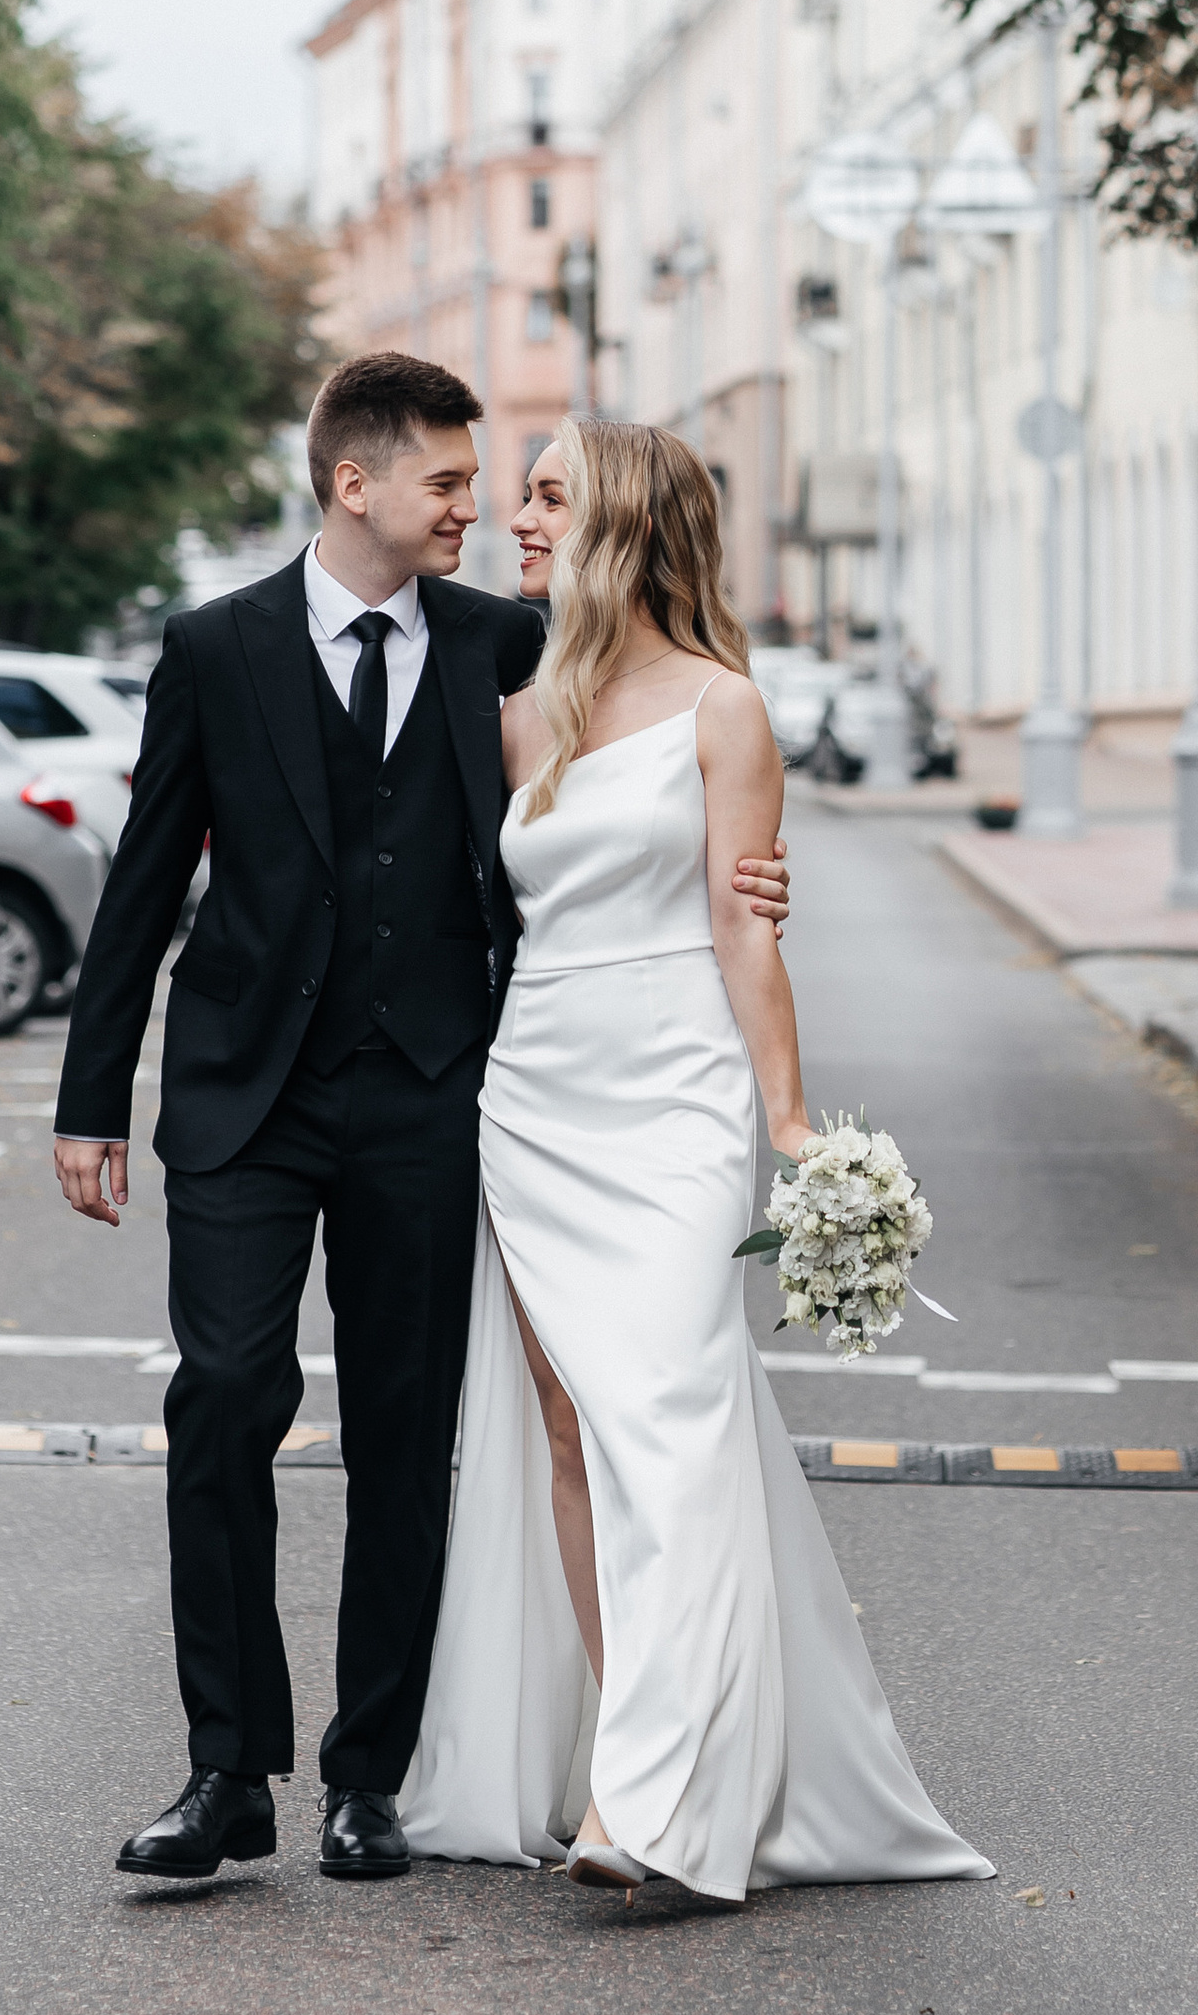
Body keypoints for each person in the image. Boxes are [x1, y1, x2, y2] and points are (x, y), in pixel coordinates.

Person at [48, 353, 792, 1888]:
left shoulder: (505, 645)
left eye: (487, 485)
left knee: (406, 1428)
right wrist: (91, 1098)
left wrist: (756, 885)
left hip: (438, 1097)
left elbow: (651, 775)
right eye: (450, 481)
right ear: (355, 483)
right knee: (224, 1397)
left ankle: (366, 1777)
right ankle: (225, 1770)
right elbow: (145, 878)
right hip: (246, 1093)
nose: (475, 507)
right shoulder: (217, 645)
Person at [400, 415, 990, 1907]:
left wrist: (790, 1126)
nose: (520, 519)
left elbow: (744, 923)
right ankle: (632, 1768)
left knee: (667, 1423)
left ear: (621, 521)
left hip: (674, 1099)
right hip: (534, 1095)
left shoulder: (727, 710)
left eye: (550, 496)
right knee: (569, 1430)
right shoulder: (515, 714)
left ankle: (667, 1800)